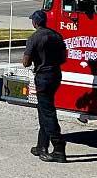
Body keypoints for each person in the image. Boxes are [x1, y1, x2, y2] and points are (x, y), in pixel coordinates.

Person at [22, 10, 67, 163]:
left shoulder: (34, 38)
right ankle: (41, 145)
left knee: (47, 113)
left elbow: (26, 62)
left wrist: (37, 59)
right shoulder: (56, 36)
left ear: (35, 22)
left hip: (43, 78)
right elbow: (63, 58)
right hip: (56, 75)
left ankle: (59, 148)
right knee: (43, 109)